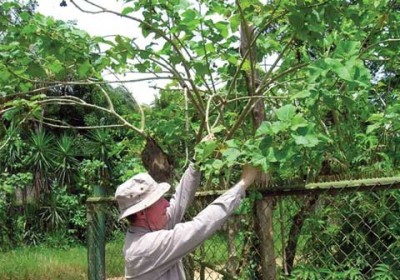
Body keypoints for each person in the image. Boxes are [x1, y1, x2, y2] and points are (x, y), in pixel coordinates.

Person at [115, 155, 258, 280]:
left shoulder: (145, 230)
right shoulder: (145, 248)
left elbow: (178, 201)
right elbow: (199, 227)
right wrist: (242, 184)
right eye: (158, 200)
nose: (166, 203)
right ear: (141, 213)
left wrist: (197, 160)